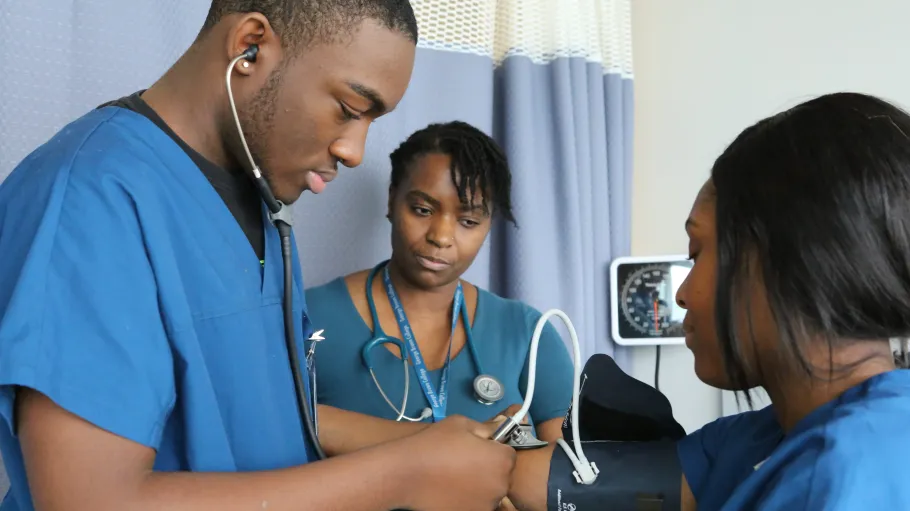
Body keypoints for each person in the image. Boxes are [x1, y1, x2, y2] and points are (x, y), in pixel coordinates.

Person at [0, 2, 518, 510]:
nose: (355, 151)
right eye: (348, 109)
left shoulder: (260, 205)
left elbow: (261, 415)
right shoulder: (93, 199)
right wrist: (405, 475)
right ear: (250, 47)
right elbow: (90, 500)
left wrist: (427, 444)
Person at [505, 92, 910, 511]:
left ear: (788, 257)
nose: (681, 293)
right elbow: (603, 486)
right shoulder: (761, 439)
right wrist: (480, 458)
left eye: (696, 253)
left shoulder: (845, 475)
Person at [304, 121, 574, 443]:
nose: (441, 237)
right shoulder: (310, 317)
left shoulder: (526, 332)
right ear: (392, 201)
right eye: (422, 209)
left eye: (468, 221)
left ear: (488, 225)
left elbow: (569, 470)